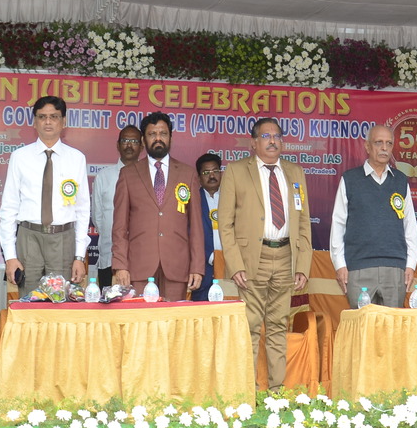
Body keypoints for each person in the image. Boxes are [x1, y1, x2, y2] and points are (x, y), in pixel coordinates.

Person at [219, 118, 312, 391]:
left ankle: (276, 393)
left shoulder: (295, 172)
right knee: (249, 327)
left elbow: (304, 221)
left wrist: (302, 265)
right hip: (251, 260)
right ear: (253, 142)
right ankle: (248, 394)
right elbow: (225, 224)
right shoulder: (236, 171)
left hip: (285, 257)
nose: (272, 141)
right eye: (266, 136)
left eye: (277, 136)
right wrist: (235, 264)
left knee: (278, 326)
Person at [0, 96, 90, 289]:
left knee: (60, 301)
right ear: (34, 122)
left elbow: (82, 210)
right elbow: (9, 208)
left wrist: (79, 256)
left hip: (63, 239)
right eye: (42, 117)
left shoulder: (76, 158)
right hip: (29, 237)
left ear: (63, 122)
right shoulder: (19, 157)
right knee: (28, 300)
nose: (48, 122)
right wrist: (10, 256)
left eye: (54, 117)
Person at [112, 112, 205, 301]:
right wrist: (120, 265)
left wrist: (197, 267)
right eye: (152, 134)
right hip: (139, 267)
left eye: (163, 133)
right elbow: (120, 227)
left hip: (177, 266)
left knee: (173, 319)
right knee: (141, 318)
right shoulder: (128, 174)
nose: (158, 138)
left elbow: (196, 226)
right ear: (143, 140)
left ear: (171, 137)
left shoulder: (188, 174)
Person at [329, 126, 417, 307]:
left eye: (389, 143)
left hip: (395, 269)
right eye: (378, 143)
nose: (384, 148)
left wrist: (411, 264)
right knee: (361, 324)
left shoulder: (400, 180)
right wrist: (340, 265)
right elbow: (338, 224)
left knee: (392, 324)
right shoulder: (350, 179)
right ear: (367, 146)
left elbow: (410, 225)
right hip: (358, 268)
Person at [90, 125, 143, 288]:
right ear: (118, 145)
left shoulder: (149, 177)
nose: (129, 145)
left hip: (142, 257)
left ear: (142, 147)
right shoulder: (103, 176)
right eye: (125, 140)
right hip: (109, 255)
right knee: (108, 301)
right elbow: (98, 218)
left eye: (134, 141)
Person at [190, 153, 223, 301]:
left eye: (215, 171)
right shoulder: (192, 200)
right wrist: (211, 256)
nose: (212, 176)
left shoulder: (232, 198)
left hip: (229, 269)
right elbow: (188, 233)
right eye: (206, 172)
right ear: (198, 177)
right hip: (203, 269)